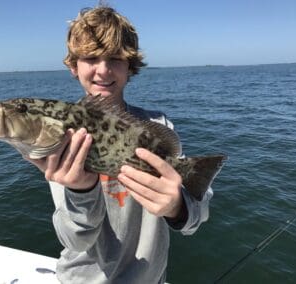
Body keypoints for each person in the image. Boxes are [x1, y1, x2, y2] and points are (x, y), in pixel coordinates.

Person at [26, 6, 213, 284]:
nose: (103, 70)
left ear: (130, 66)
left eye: (115, 58)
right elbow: (75, 240)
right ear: (74, 66)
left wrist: (178, 207)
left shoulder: (159, 125)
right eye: (90, 57)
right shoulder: (65, 134)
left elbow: (198, 215)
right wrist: (80, 191)